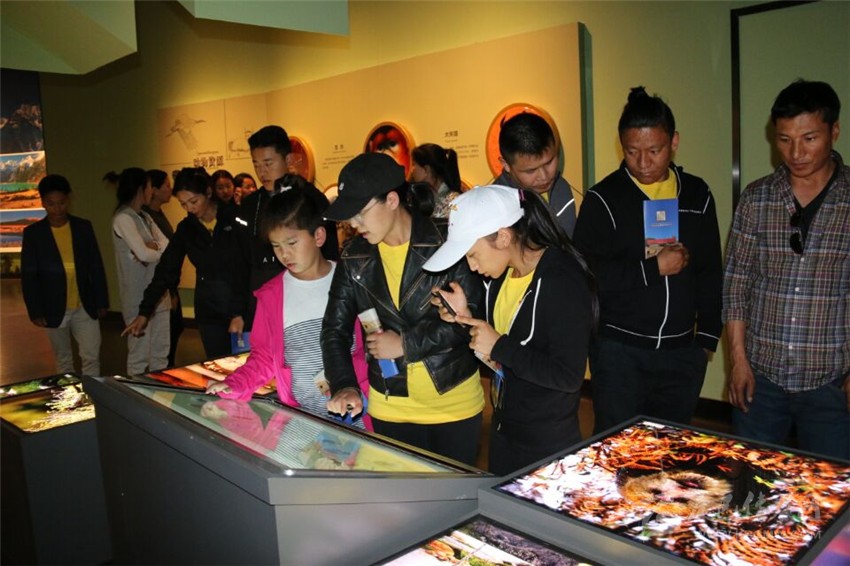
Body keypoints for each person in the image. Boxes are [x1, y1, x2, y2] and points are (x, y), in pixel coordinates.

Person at [572, 87, 722, 433]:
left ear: (674, 142)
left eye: (654, 151)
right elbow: (585, 273)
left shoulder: (696, 194)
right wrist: (652, 269)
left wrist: (705, 341)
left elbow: (710, 269)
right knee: (617, 446)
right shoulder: (604, 199)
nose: (643, 163)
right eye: (631, 151)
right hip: (619, 352)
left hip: (682, 353)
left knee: (670, 449)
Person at [321, 153, 484, 466]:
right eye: (350, 216)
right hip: (390, 406)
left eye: (360, 214)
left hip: (454, 403)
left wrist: (405, 344)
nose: (353, 224)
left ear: (392, 200)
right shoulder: (353, 256)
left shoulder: (447, 240)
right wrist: (344, 385)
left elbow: (471, 319)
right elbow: (333, 330)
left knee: (454, 495)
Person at [423, 185, 597, 475]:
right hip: (506, 430)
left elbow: (567, 376)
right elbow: (502, 352)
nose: (471, 266)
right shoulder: (501, 278)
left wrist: (499, 345)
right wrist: (464, 318)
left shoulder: (562, 279)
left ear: (503, 237)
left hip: (546, 446)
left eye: (473, 254)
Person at [723, 79, 849, 460]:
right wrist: (738, 361)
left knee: (829, 488)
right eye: (784, 139)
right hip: (761, 380)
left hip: (831, 383)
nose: (796, 153)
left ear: (834, 131)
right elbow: (736, 285)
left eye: (809, 139)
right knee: (752, 479)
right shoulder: (757, 198)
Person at [206, 177, 370, 428]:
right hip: (303, 418)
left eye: (292, 243)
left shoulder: (351, 280)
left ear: (318, 236)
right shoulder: (272, 295)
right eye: (276, 246)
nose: (284, 254)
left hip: (356, 413)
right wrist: (234, 384)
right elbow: (263, 357)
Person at [123, 168, 250, 359]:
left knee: (248, 364)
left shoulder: (236, 218)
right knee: (219, 365)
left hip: (242, 306)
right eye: (183, 204)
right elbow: (167, 269)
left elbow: (247, 268)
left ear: (208, 192)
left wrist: (239, 312)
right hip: (210, 311)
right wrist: (144, 312)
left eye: (193, 201)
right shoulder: (187, 229)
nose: (190, 208)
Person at [21, 174, 109, 376]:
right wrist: (35, 311)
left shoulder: (83, 227)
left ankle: (91, 392)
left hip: (85, 305)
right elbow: (29, 276)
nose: (57, 209)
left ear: (68, 200)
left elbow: (96, 266)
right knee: (63, 359)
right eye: (51, 204)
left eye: (61, 203)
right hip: (52, 305)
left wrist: (102, 301)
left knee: (91, 356)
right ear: (43, 202)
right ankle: (69, 394)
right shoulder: (34, 233)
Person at [112, 167, 170, 375]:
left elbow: (167, 246)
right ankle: (137, 392)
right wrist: (151, 249)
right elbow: (144, 254)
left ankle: (159, 391)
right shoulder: (122, 218)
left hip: (159, 294)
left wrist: (152, 248)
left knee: (160, 353)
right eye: (149, 187)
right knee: (139, 356)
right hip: (137, 297)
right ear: (140, 189)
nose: (151, 191)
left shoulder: (145, 216)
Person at [494, 112, 582, 238]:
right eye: (531, 171)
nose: (544, 176)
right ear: (506, 164)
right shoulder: (495, 206)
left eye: (549, 162)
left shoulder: (561, 187)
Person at [239, 125, 291, 296]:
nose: (262, 172)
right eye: (256, 165)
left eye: (268, 164)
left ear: (288, 160)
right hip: (259, 292)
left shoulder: (309, 200)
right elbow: (242, 259)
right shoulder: (250, 204)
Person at [144, 168, 183, 367]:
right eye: (166, 185)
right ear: (154, 190)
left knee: (173, 331)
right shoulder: (147, 217)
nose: (170, 189)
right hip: (160, 285)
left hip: (169, 285)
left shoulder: (159, 214)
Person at [410, 143, 462, 218]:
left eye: (414, 164)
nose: (412, 170)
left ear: (426, 169)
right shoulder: (421, 198)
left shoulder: (453, 201)